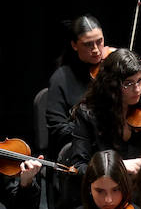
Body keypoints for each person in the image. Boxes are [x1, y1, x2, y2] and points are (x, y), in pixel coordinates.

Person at [67, 48, 141, 173]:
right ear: (112, 85)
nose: (137, 89)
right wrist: (118, 166)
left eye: (139, 81)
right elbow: (78, 167)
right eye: (128, 83)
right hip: (106, 187)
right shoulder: (88, 114)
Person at [45, 15, 110, 155]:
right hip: (79, 151)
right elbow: (58, 129)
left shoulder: (111, 69)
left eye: (99, 41)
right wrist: (92, 129)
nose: (96, 50)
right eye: (88, 44)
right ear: (74, 45)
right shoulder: (61, 78)